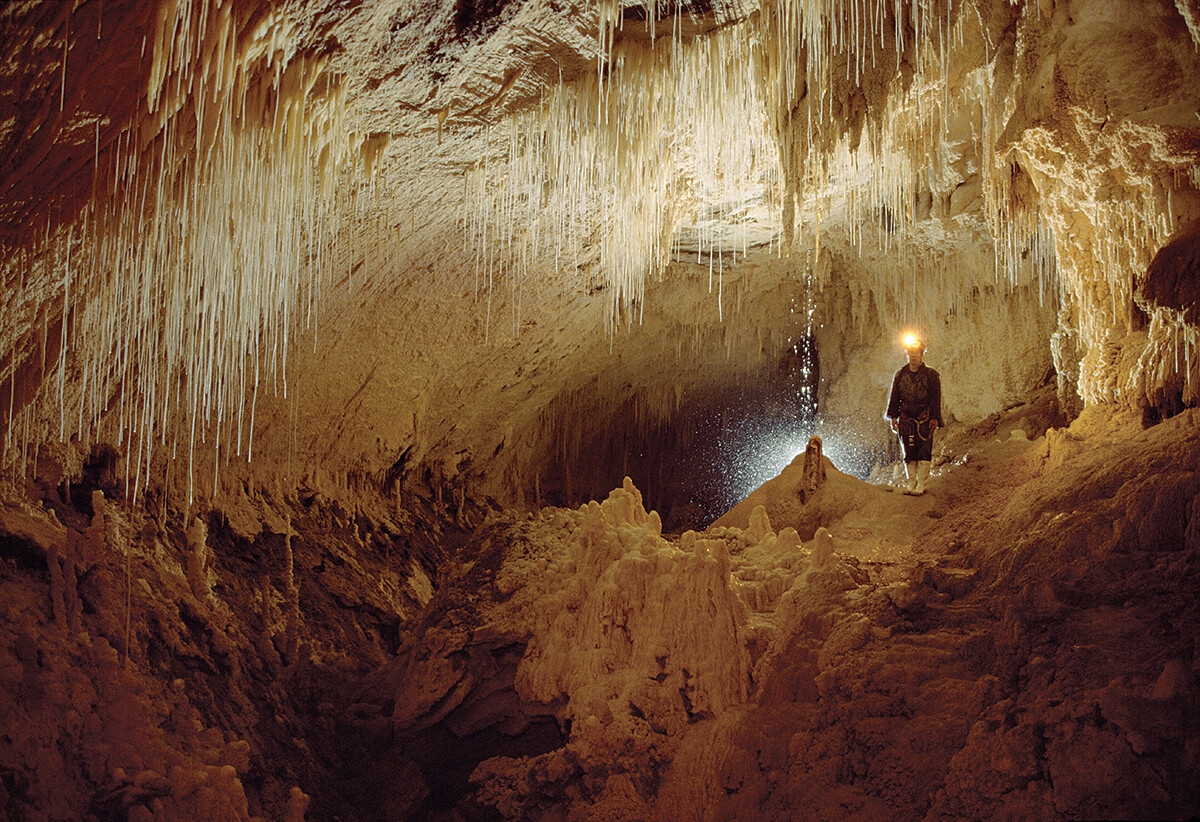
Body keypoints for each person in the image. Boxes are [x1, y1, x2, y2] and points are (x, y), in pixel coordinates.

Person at [886, 334, 941, 495]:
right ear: (907, 355)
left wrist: (935, 418)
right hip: (906, 419)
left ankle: (921, 485)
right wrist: (893, 417)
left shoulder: (931, 375)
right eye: (911, 353)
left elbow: (935, 398)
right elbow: (895, 396)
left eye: (916, 353)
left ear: (921, 354)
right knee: (909, 452)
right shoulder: (901, 374)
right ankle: (911, 483)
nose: (913, 357)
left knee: (923, 450)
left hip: (924, 419)